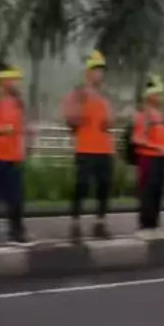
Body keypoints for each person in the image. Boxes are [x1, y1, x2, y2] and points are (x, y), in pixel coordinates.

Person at [62, 50, 114, 243]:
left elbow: (108, 123)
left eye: (102, 71)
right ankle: (75, 223)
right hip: (85, 149)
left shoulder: (104, 98)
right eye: (96, 70)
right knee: (82, 186)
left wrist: (112, 120)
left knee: (104, 187)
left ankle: (100, 223)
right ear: (88, 72)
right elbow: (71, 121)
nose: (100, 74)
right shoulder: (77, 94)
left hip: (104, 150)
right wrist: (81, 108)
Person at [132, 76, 164, 238]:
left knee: (158, 193)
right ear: (150, 96)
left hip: (160, 159)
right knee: (148, 192)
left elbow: (163, 141)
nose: (162, 97)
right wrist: (162, 149)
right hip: (148, 159)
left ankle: (154, 225)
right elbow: (137, 139)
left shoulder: (160, 115)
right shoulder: (144, 114)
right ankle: (145, 227)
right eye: (159, 94)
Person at [0, 62, 29, 246]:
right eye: (12, 79)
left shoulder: (17, 102)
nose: (15, 83)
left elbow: (20, 129)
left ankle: (17, 232)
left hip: (12, 158)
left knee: (16, 197)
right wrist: (1, 129)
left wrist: (24, 146)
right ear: (2, 80)